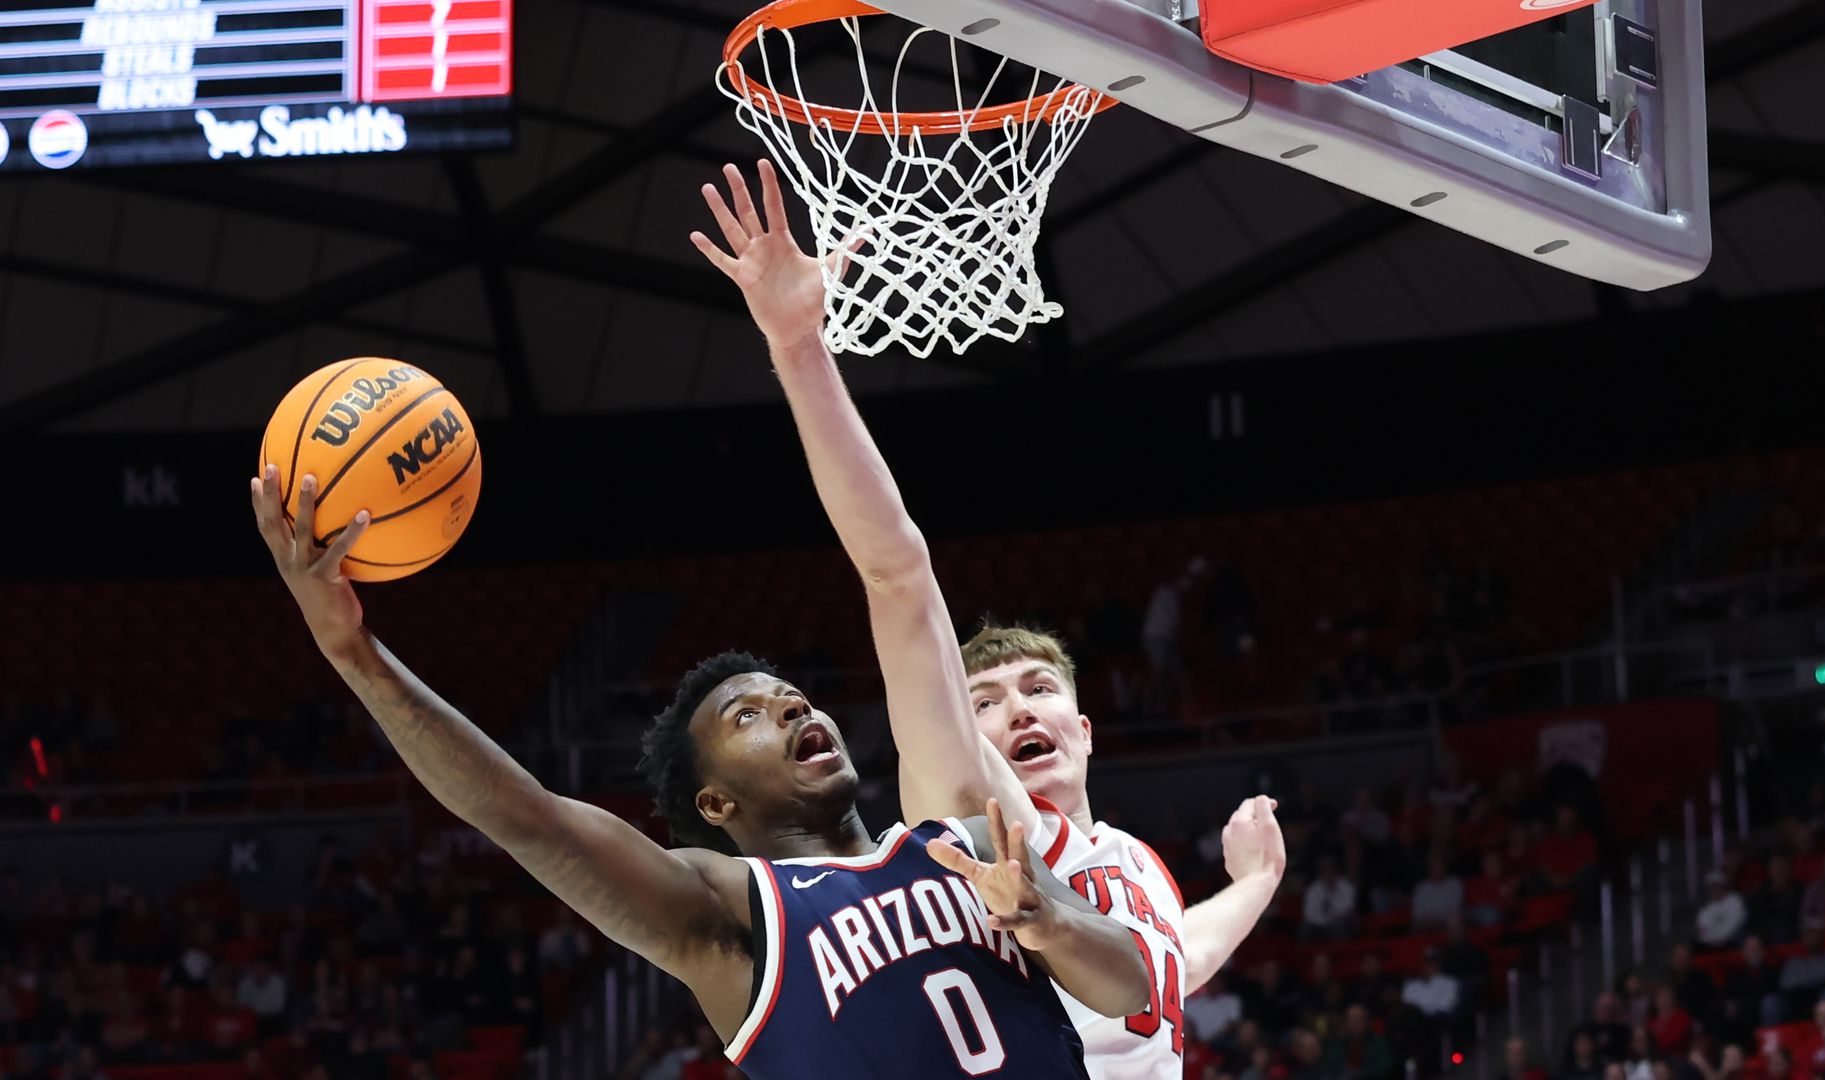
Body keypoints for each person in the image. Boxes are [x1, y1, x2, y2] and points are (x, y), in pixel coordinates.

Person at [251, 179, 1151, 1080]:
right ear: (716, 805)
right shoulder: (727, 915)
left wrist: (1043, 914)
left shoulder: (959, 835)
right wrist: (353, 653)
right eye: (748, 716)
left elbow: (1126, 986)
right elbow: (524, 818)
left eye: (787, 696)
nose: (794, 706)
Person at [689, 159, 1287, 1080]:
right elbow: (897, 573)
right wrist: (800, 348)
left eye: (1039, 690)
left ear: (1082, 729)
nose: (1018, 712)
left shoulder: (1123, 857)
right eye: (987, 701)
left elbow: (1177, 966)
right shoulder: (973, 812)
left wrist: (1253, 884)